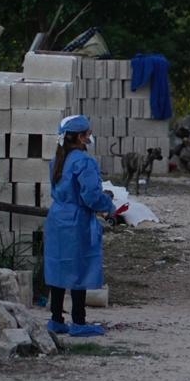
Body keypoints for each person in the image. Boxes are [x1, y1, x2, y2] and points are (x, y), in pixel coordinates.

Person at [43, 114, 116, 337]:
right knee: (79, 268)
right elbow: (91, 195)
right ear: (81, 137)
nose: (90, 136)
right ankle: (79, 322)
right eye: (88, 133)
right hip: (76, 220)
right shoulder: (84, 161)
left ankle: (56, 319)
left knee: (58, 266)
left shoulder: (57, 160)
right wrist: (108, 204)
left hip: (57, 217)